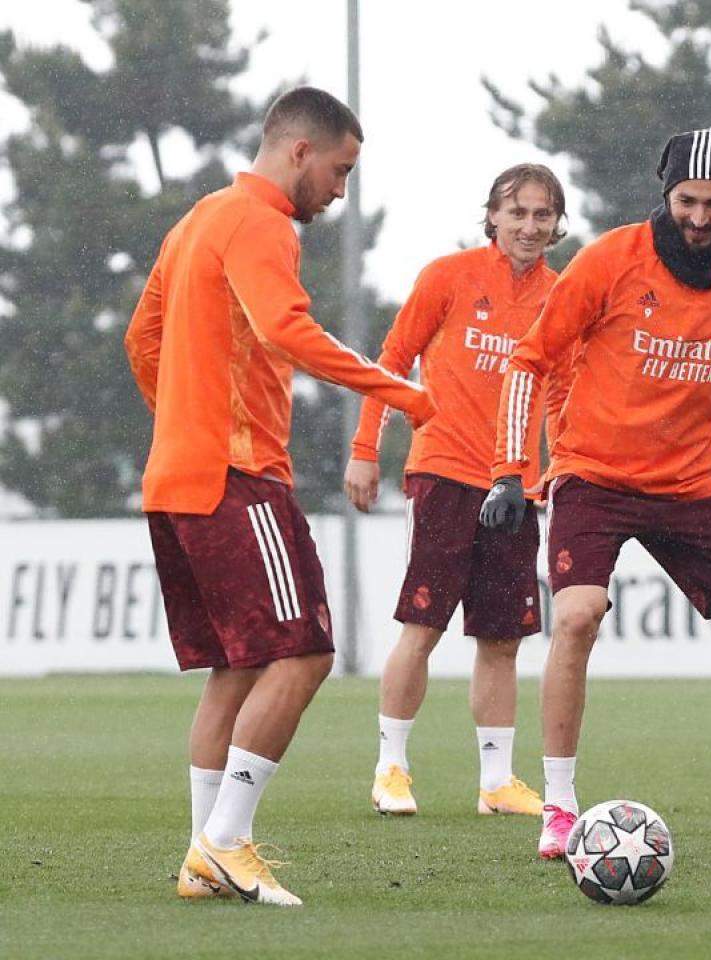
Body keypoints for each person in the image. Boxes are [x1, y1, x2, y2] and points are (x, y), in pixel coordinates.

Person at [479, 126, 711, 859]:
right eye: (685, 201)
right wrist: (509, 471)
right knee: (577, 616)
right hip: (594, 476)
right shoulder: (610, 259)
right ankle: (559, 807)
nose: (698, 218)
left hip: (692, 488)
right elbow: (529, 360)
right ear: (664, 194)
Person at [124, 87, 435, 905]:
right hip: (236, 477)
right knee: (305, 654)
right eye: (339, 171)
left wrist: (183, 420)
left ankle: (203, 854)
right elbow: (286, 329)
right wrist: (398, 393)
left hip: (177, 477)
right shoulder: (261, 221)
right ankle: (226, 841)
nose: (340, 191)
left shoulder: (199, 218)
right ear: (300, 152)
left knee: (238, 666)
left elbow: (141, 339)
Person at [344, 164, 568, 819]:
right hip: (442, 473)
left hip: (518, 490)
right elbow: (388, 363)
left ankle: (496, 782)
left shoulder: (564, 294)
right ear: (492, 215)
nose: (530, 226)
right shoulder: (449, 276)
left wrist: (558, 468)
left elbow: (563, 394)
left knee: (502, 639)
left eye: (542, 215)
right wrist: (364, 451)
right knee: (423, 624)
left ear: (558, 223)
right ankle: (391, 768)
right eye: (517, 212)